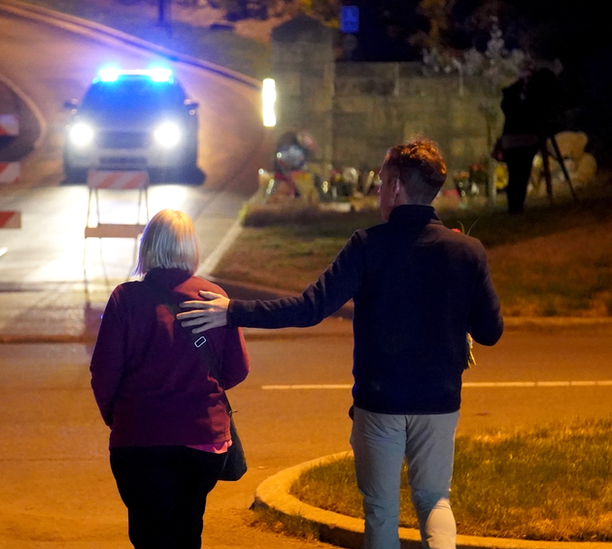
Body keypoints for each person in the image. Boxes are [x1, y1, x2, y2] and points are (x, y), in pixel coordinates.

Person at [177, 139, 503, 549]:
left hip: (380, 402)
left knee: (381, 508)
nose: (379, 191)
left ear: (398, 187)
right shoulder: (467, 251)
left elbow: (309, 308)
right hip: (440, 400)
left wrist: (231, 312)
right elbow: (490, 331)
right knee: (434, 499)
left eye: (382, 182)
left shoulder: (368, 246)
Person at [89, 209, 250, 549]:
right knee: (188, 526)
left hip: (140, 439)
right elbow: (237, 369)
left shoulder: (125, 299)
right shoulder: (213, 297)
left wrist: (116, 418)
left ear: (147, 248)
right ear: (192, 247)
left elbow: (103, 373)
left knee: (150, 534)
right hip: (204, 440)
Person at [498, 67, 561, 214]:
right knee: (517, 174)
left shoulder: (521, 95)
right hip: (520, 139)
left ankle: (516, 206)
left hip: (520, 139)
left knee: (519, 174)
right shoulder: (516, 95)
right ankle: (515, 206)